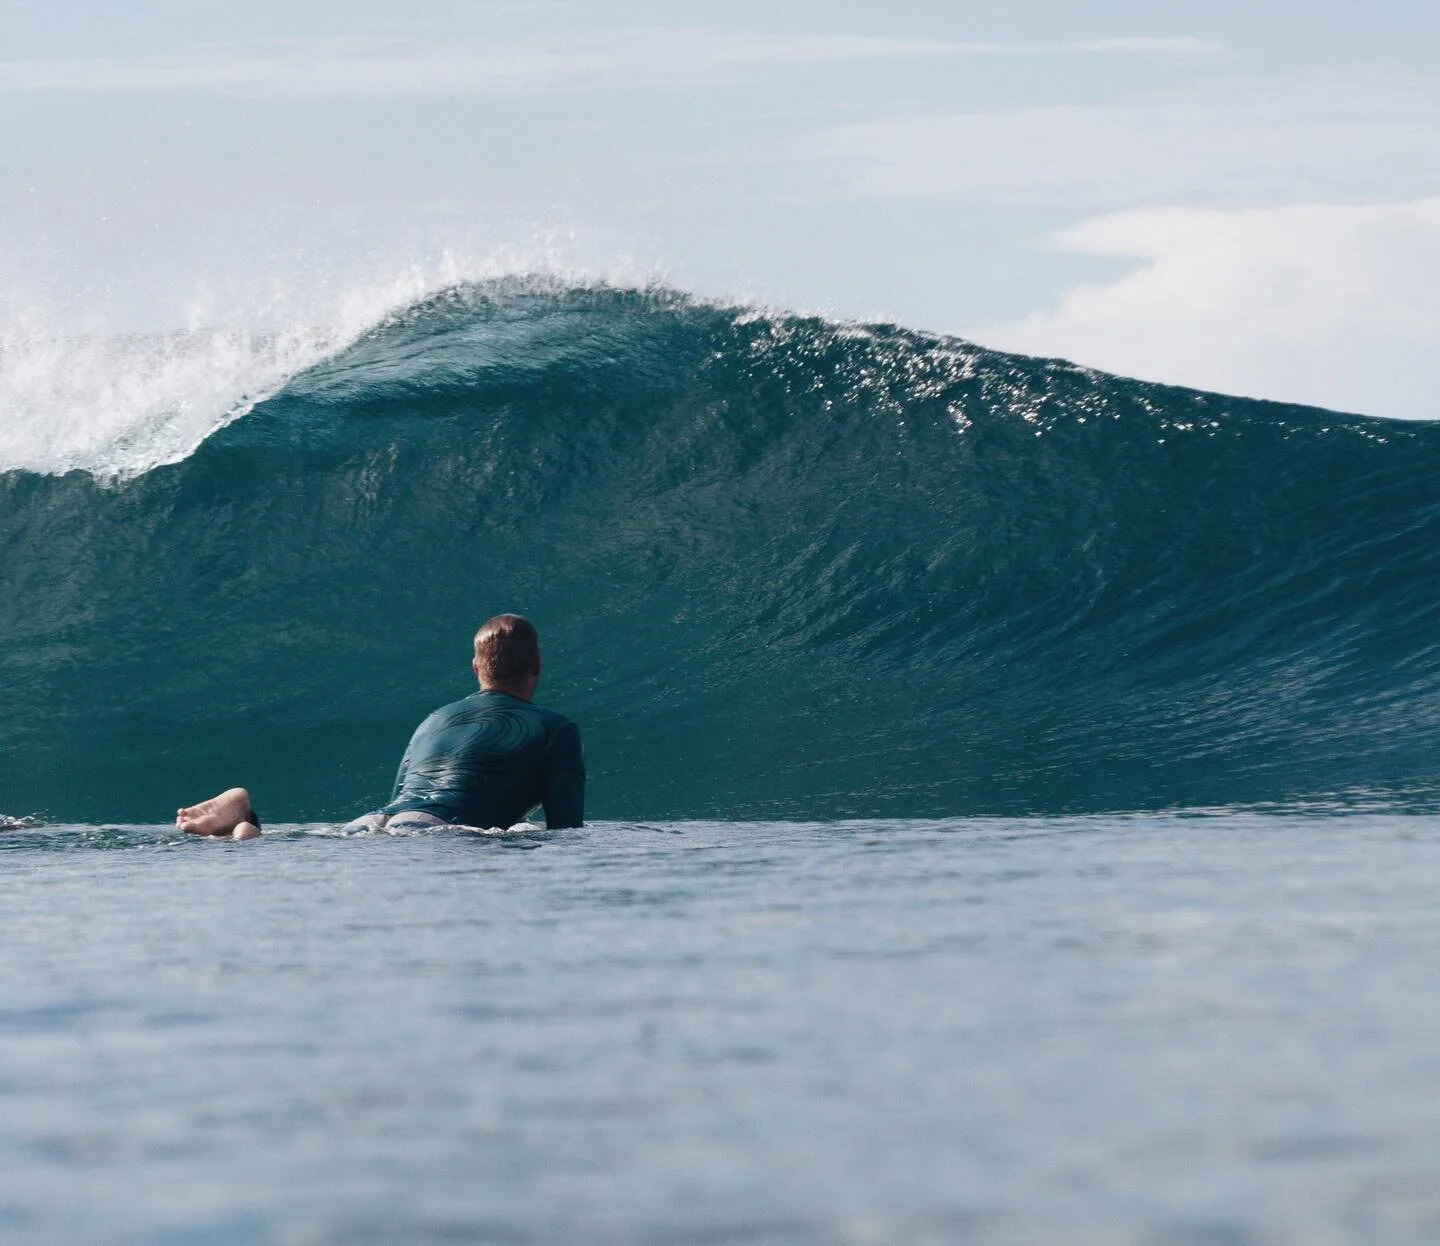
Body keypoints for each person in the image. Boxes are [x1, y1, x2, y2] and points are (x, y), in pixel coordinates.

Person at [176, 614, 585, 840]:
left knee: (363, 841)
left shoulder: (433, 721)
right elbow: (566, 832)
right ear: (537, 666)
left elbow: (405, 799)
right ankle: (245, 833)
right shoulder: (556, 728)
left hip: (378, 819)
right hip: (440, 833)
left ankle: (247, 822)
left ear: (476, 668)